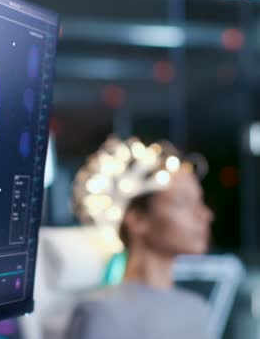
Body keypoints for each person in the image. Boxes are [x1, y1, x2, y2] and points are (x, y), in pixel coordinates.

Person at [67, 138, 215, 339]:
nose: (205, 215)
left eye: (200, 201)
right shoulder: (101, 313)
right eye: (184, 202)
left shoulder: (196, 309)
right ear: (137, 220)